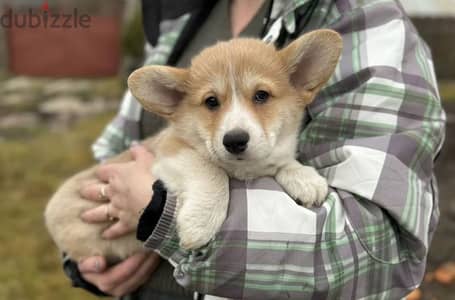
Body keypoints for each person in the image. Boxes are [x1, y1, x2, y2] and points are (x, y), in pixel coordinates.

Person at [63, 0, 446, 299]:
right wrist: (88, 259)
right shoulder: (182, 19)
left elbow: (379, 251)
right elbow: (118, 152)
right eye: (212, 102)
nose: (235, 126)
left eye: (260, 95)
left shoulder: (364, 18)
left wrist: (161, 214)